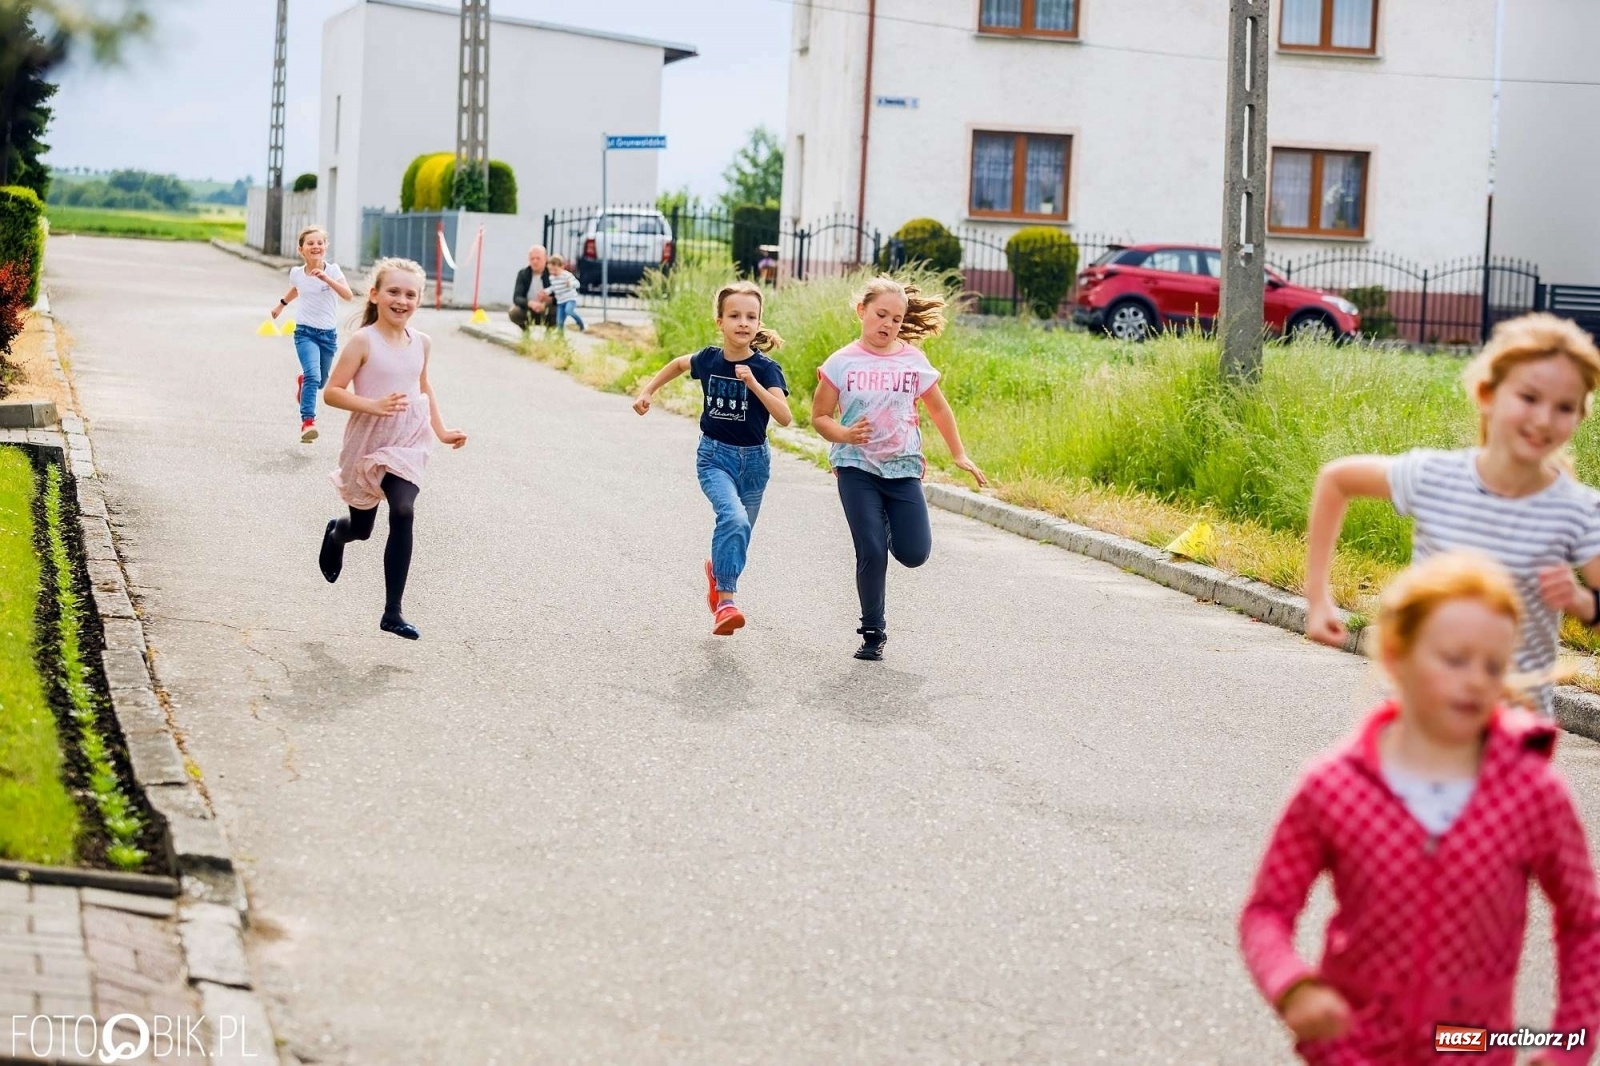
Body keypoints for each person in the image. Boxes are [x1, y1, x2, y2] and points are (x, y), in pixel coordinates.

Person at [1239, 551, 1600, 1065]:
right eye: (1454, 659)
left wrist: (1570, 1044)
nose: (1476, 680)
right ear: (1395, 655)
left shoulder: (1531, 792)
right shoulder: (1334, 787)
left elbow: (1585, 922)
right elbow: (1267, 912)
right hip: (1353, 1049)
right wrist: (1292, 986)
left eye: (1493, 665)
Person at [1304, 312, 1600, 717]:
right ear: (1487, 395)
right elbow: (1336, 480)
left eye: (1564, 407)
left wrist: (1581, 602)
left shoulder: (1578, 509)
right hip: (1422, 717)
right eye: (1529, 398)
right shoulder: (1434, 476)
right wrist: (1318, 599)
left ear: (1579, 417)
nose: (1543, 419)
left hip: (1513, 726)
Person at [811, 277, 987, 661]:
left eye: (896, 318)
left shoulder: (913, 361)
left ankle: (888, 525)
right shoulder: (841, 363)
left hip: (903, 467)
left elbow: (938, 408)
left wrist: (958, 454)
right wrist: (844, 434)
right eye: (880, 315)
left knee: (914, 553)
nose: (887, 324)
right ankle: (872, 631)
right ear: (862, 311)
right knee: (871, 549)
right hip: (856, 466)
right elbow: (820, 416)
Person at [317, 257, 468, 640]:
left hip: (409, 438)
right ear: (375, 294)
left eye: (410, 294)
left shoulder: (422, 343)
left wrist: (442, 431)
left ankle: (392, 612)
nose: (402, 300)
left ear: (419, 300)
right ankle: (336, 534)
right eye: (394, 292)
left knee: (403, 510)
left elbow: (423, 387)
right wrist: (372, 405)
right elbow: (332, 392)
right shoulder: (363, 341)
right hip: (369, 439)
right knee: (362, 529)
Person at [633, 281, 790, 635]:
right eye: (734, 315)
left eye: (751, 316)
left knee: (740, 531)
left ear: (759, 322)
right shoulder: (709, 359)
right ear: (720, 321)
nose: (743, 322)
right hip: (714, 457)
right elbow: (678, 364)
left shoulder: (766, 369)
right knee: (733, 518)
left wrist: (754, 385)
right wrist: (648, 391)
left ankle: (717, 575)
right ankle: (726, 603)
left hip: (755, 463)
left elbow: (784, 416)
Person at [270, 225, 353, 443]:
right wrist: (281, 305)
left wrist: (327, 279)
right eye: (310, 243)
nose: (316, 246)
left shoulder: (333, 271)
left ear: (325, 246)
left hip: (328, 336)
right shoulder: (297, 273)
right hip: (305, 333)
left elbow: (348, 295)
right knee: (313, 376)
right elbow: (297, 289)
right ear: (301, 250)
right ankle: (308, 422)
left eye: (320, 242)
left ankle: (303, 383)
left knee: (319, 382)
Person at [509, 244, 556, 331]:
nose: (535, 262)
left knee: (559, 310)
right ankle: (525, 331)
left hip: (547, 309)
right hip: (529, 309)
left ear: (545, 259)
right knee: (514, 312)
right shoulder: (523, 274)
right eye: (532, 259)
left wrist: (548, 301)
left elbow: (562, 296)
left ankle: (550, 333)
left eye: (538, 258)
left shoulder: (553, 274)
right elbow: (517, 297)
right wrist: (530, 303)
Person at [546, 254, 586, 333]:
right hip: (560, 301)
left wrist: (570, 284)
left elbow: (577, 284)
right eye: (551, 270)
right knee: (559, 321)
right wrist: (546, 291)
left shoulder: (566, 275)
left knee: (569, 311)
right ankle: (560, 336)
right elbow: (553, 287)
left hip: (570, 299)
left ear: (561, 267)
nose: (553, 272)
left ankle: (581, 324)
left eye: (555, 270)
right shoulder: (552, 278)